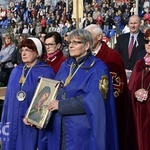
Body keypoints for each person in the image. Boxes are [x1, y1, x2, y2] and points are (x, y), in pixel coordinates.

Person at [46, 29, 118, 150]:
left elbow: (93, 100)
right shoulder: (66, 65)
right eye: (69, 42)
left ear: (87, 45)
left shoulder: (97, 68)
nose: (71, 46)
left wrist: (61, 105)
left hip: (81, 132)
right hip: (60, 128)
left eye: (76, 42)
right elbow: (56, 89)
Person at [0, 37, 55, 150]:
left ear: (37, 53)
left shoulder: (46, 72)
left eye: (28, 50)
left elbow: (46, 100)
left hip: (30, 124)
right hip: (12, 118)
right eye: (22, 50)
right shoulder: (16, 71)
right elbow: (9, 99)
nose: (24, 53)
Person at [85, 24, 128, 150]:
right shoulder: (85, 55)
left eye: (88, 37)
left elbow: (118, 87)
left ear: (99, 37)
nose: (85, 40)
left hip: (105, 106)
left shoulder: (112, 56)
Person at [126, 28, 150, 150]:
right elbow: (130, 88)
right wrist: (135, 93)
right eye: (147, 41)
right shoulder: (139, 64)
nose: (149, 44)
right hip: (138, 113)